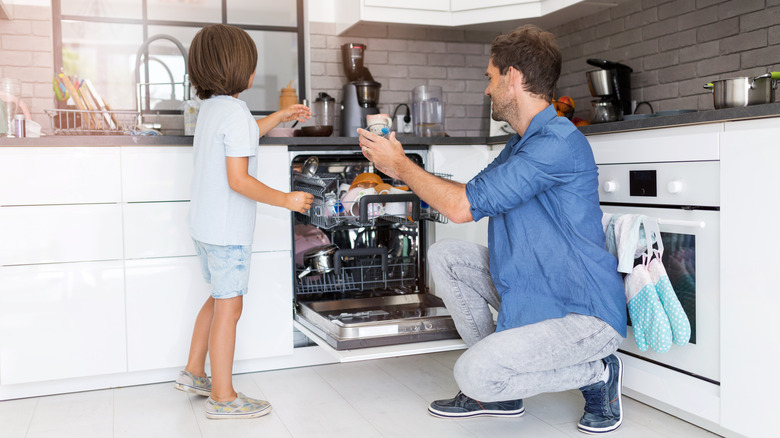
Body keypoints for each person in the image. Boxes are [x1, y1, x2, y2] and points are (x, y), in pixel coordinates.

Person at [357, 24, 627, 434]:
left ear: (513, 77)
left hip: (582, 314)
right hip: (536, 296)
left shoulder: (555, 144)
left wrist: (401, 166)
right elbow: (468, 194)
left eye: (490, 77)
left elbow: (463, 207)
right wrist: (397, 170)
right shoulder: (519, 144)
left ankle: (597, 373)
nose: (487, 89)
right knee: (446, 256)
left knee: (473, 374)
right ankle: (501, 390)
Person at [173, 24, 313, 420]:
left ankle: (194, 372)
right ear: (241, 71)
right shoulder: (233, 112)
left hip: (204, 227)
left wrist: (281, 116)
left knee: (219, 299)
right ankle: (223, 396)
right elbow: (239, 180)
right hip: (227, 232)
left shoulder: (214, 110)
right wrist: (286, 199)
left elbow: (244, 135)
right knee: (229, 309)